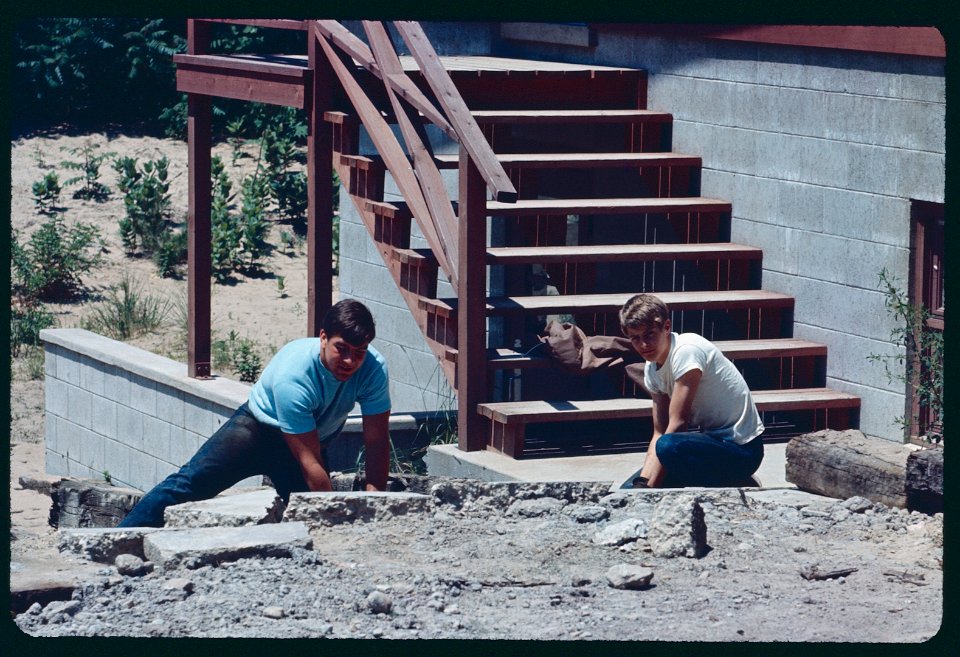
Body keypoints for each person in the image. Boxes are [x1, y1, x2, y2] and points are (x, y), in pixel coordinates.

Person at [118, 299, 392, 527]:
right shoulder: (294, 375)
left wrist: (375, 503)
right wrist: (336, 517)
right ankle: (121, 536)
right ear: (323, 338)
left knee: (312, 516)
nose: (349, 361)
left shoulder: (373, 368)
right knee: (189, 483)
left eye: (359, 352)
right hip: (256, 431)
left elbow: (377, 441)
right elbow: (310, 463)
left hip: (313, 438)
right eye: (341, 349)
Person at [618, 293, 764, 488]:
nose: (643, 345)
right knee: (628, 489)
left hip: (742, 451)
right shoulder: (651, 368)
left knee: (669, 448)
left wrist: (650, 491)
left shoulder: (687, 351)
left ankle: (735, 480)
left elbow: (678, 424)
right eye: (635, 338)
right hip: (710, 445)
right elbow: (659, 432)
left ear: (667, 327)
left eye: (649, 335)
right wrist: (642, 483)